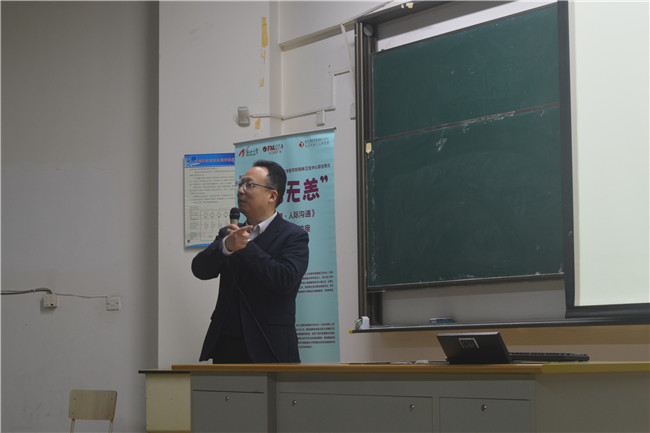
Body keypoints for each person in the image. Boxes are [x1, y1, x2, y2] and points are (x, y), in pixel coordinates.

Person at [191, 160, 309, 363]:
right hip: (227, 344)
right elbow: (200, 269)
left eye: (249, 185)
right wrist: (226, 246)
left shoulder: (293, 235)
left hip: (271, 344)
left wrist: (246, 246)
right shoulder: (228, 234)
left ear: (272, 196)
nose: (241, 190)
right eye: (240, 184)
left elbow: (285, 280)